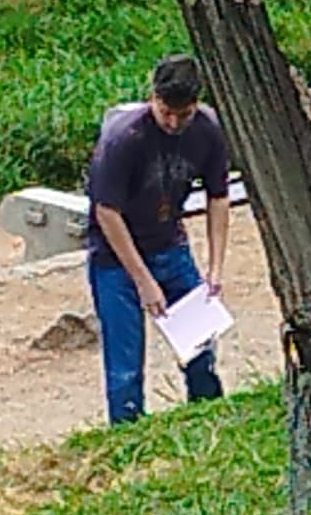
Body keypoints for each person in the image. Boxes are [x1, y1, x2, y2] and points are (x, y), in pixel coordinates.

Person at [83, 53, 233, 424]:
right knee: (124, 368)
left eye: (184, 114)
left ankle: (207, 416)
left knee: (200, 347)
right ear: (153, 97)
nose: (173, 122)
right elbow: (106, 211)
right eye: (167, 111)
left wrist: (215, 267)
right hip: (115, 258)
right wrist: (143, 280)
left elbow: (218, 196)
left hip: (169, 243)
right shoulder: (123, 138)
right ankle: (127, 428)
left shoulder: (207, 129)